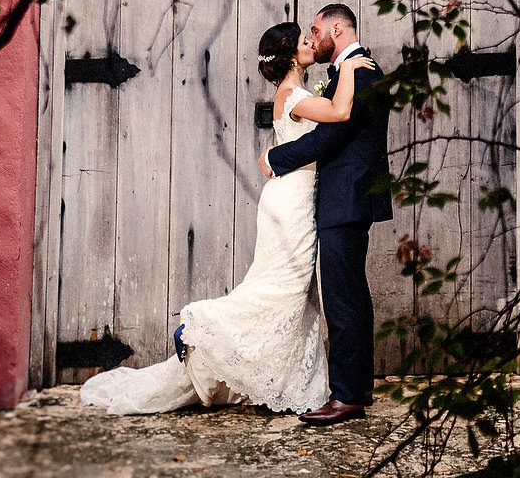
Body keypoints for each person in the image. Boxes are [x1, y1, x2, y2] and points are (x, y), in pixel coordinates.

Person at [79, 23, 374, 416]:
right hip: (290, 204)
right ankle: (200, 324)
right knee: (280, 286)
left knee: (290, 290)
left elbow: (306, 136)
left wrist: (274, 153)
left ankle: (286, 379)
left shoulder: (292, 94)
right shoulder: (295, 95)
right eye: (305, 40)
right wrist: (351, 70)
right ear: (290, 57)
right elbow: (339, 112)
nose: (311, 43)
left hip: (297, 199)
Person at [260, 3, 393, 426]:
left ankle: (347, 398)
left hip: (346, 198)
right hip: (343, 197)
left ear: (337, 28)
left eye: (315, 30)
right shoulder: (349, 72)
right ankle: (356, 388)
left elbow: (330, 135)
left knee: (342, 298)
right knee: (349, 294)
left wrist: (275, 156)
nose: (312, 38)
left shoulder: (361, 70)